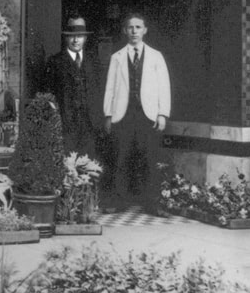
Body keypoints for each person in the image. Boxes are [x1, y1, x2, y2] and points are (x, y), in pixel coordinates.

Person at [102, 12, 171, 213]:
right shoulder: (117, 57)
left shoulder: (156, 56)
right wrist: (108, 115)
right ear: (125, 31)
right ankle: (120, 201)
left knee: (149, 158)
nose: (134, 31)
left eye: (138, 27)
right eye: (130, 27)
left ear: (145, 30)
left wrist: (162, 114)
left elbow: (163, 87)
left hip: (147, 114)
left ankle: (152, 203)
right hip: (123, 114)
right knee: (121, 157)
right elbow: (110, 88)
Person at [42, 14, 102, 157]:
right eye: (72, 36)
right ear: (66, 37)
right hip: (65, 126)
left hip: (89, 126)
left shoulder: (93, 61)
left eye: (80, 36)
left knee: (89, 167)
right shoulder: (55, 62)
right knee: (67, 167)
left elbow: (99, 91)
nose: (76, 40)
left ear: (85, 38)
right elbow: (48, 95)